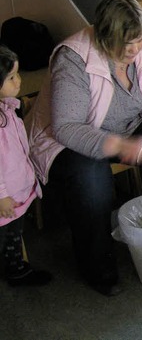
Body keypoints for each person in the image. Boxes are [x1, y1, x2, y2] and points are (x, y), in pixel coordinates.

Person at [25, 0, 142, 296]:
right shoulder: (73, 58)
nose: (135, 50)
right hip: (66, 139)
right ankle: (97, 265)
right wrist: (121, 146)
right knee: (92, 181)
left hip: (122, 125)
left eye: (139, 40)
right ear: (104, 38)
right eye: (126, 45)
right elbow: (66, 127)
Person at [0, 45, 52, 287]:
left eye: (17, 74)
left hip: (16, 190)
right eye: (11, 77)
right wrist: (2, 196)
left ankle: (15, 267)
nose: (19, 80)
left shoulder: (8, 107)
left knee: (14, 233)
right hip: (5, 197)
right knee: (7, 235)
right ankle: (15, 271)